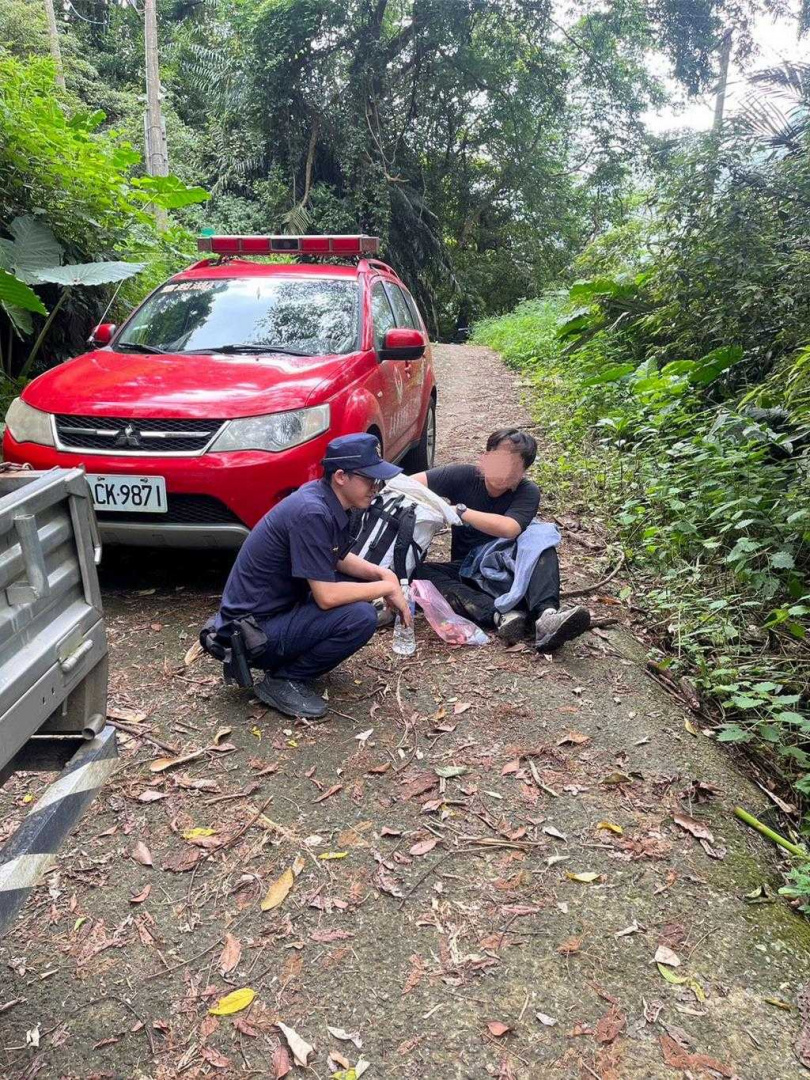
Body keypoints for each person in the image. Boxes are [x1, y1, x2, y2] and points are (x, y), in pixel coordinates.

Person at [204, 433, 411, 719]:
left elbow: (335, 557)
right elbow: (326, 597)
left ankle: (288, 664)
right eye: (369, 479)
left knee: (356, 593)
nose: (376, 488)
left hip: (272, 615)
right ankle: (283, 679)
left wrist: (381, 572)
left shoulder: (329, 500)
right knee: (360, 616)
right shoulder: (312, 511)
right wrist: (384, 587)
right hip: (252, 632)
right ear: (341, 476)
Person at [412, 428, 591, 652]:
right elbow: (409, 484)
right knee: (420, 573)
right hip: (468, 571)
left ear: (523, 473)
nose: (502, 474)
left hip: (511, 570)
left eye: (512, 469)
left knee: (541, 540)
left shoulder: (528, 492)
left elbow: (509, 528)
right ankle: (501, 616)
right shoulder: (463, 476)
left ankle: (546, 616)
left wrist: (458, 511)